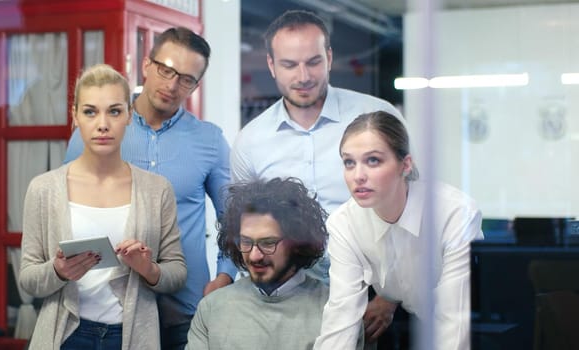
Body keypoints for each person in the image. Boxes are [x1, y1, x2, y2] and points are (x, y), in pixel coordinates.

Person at [230, 9, 404, 343]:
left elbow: (410, 208)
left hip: (368, 293)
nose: (303, 75)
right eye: (289, 65)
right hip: (284, 295)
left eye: (313, 61)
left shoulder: (378, 117)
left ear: (329, 57)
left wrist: (390, 295)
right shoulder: (250, 140)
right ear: (271, 65)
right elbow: (244, 226)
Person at [64, 27, 236, 349]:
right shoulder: (101, 127)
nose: (172, 85)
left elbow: (233, 219)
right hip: (108, 302)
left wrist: (225, 277)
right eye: (165, 70)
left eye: (186, 79)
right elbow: (67, 208)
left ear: (196, 85)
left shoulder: (210, 140)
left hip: (183, 305)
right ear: (146, 65)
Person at [19, 63, 186, 350]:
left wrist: (149, 269)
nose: (103, 124)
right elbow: (28, 279)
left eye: (114, 111)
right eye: (90, 111)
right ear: (75, 117)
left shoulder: (157, 189)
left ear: (129, 116)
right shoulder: (43, 189)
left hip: (132, 336)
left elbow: (177, 273)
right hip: (65, 336)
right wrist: (58, 271)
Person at [314, 111, 484, 350]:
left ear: (405, 165)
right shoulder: (344, 224)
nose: (358, 176)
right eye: (349, 162)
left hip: (482, 333)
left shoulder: (453, 214)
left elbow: (454, 325)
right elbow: (341, 321)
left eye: (373, 160)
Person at [186, 177, 340, 350]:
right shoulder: (212, 308)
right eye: (245, 242)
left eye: (268, 243)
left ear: (297, 242)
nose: (254, 255)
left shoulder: (334, 309)